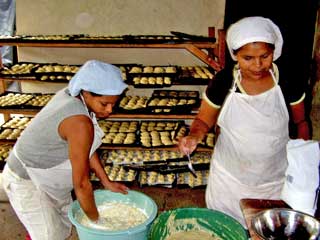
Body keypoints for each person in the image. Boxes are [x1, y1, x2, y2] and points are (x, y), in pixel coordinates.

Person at [178, 16, 310, 226]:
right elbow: (203, 121)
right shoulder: (223, 82)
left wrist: (303, 162)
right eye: (248, 58)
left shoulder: (288, 82)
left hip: (274, 179)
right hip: (230, 182)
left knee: (266, 231)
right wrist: (194, 136)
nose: (258, 65)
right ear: (235, 55)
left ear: (274, 52)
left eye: (265, 56)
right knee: (226, 230)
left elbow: (301, 122)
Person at [1, 60, 129, 240]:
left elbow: (87, 149)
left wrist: (106, 182)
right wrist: (98, 224)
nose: (109, 110)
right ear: (86, 92)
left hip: (46, 175)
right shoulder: (78, 121)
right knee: (49, 235)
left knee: (62, 226)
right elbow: (82, 185)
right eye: (104, 104)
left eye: (113, 104)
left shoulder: (75, 96)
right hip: (26, 179)